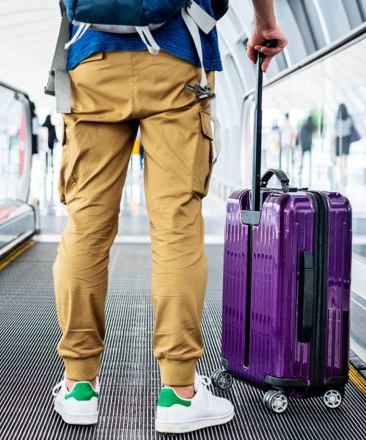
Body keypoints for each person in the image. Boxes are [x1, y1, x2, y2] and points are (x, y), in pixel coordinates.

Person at [50, 0, 287, 433]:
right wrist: (264, 22)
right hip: (178, 56)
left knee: (85, 228)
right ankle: (179, 394)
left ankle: (79, 385)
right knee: (177, 230)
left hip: (91, 62)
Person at [334, 103, 356, 185]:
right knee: (345, 157)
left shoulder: (337, 119)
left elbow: (335, 127)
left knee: (340, 158)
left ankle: (341, 175)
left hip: (339, 138)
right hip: (347, 138)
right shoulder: (349, 118)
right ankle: (344, 174)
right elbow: (353, 126)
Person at [298, 113, 315, 178]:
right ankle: (310, 168)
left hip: (303, 145)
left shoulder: (304, 127)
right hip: (309, 145)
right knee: (309, 157)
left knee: (302, 157)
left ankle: (301, 168)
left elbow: (301, 135)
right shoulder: (310, 127)